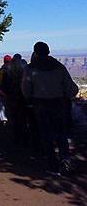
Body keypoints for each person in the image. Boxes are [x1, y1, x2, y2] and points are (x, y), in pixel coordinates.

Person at [22, 41, 78, 175]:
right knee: (61, 134)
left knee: (45, 135)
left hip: (40, 105)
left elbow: (25, 88)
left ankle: (53, 165)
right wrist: (67, 96)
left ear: (35, 52)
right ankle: (65, 161)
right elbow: (71, 87)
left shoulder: (30, 69)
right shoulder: (59, 67)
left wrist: (29, 99)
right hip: (58, 104)